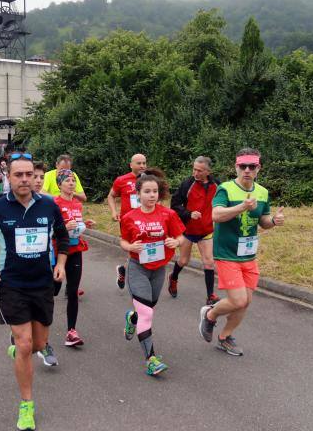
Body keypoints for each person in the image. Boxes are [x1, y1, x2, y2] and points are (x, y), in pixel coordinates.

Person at [0, 153, 69, 431]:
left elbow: (62, 236)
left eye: (29, 174)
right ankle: (26, 404)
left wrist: (61, 263)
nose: (25, 179)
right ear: (9, 177)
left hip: (42, 284)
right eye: (19, 175)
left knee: (38, 344)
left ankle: (19, 349)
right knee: (26, 344)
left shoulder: (49, 206)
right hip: (11, 284)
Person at [199, 148, 286, 356]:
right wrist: (242, 207)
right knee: (237, 300)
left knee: (245, 302)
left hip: (248, 254)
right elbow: (216, 215)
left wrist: (273, 221)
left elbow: (263, 221)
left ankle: (224, 337)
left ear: (258, 168)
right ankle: (210, 315)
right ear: (236, 167)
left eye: (252, 166)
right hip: (226, 253)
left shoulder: (263, 192)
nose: (247, 170)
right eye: (243, 166)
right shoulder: (226, 189)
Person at [120, 173, 184, 376]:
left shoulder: (168, 214)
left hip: (158, 269)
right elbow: (122, 242)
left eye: (155, 191)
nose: (152, 195)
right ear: (138, 194)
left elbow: (180, 236)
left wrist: (176, 242)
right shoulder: (129, 217)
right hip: (137, 267)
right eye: (147, 191)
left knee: (148, 307)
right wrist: (131, 246)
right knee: (148, 313)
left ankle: (132, 319)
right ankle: (151, 359)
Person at [168, 156, 221, 305]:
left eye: (199, 170)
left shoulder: (217, 185)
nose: (195, 173)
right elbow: (175, 205)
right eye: (194, 169)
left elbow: (224, 203)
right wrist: (189, 214)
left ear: (208, 171)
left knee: (209, 262)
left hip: (206, 230)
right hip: (188, 230)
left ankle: (210, 295)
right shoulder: (187, 184)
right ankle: (173, 277)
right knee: (184, 260)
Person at [53, 170, 95, 347]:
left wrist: (85, 224)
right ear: (59, 184)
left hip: (75, 249)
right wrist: (63, 226)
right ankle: (37, 324)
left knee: (73, 291)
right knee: (52, 291)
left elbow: (76, 225)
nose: (71, 183)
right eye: (68, 181)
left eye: (73, 180)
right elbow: (48, 228)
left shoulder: (77, 204)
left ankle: (71, 331)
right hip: (57, 252)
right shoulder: (54, 203)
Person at [107, 153, 147, 289]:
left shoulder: (150, 179)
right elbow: (111, 196)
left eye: (144, 163)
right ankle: (136, 280)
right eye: (138, 163)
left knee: (141, 250)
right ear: (131, 165)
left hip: (146, 220)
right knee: (135, 250)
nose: (142, 166)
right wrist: (114, 211)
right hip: (128, 222)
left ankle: (125, 270)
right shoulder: (122, 180)